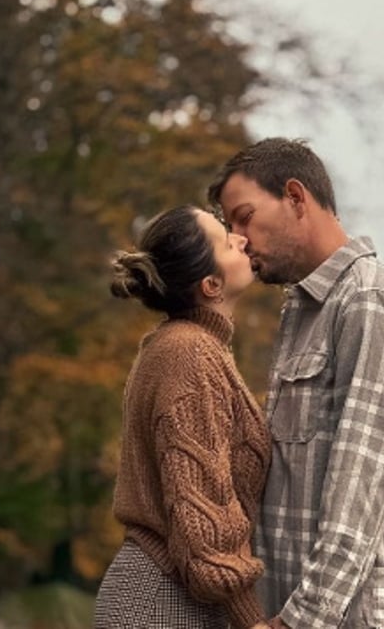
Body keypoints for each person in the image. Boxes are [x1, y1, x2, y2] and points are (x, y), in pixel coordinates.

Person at [208, 138, 384, 628]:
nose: (237, 239)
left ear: (296, 198)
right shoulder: (304, 314)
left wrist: (297, 622)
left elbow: (359, 496)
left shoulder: (368, 302)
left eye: (244, 217)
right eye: (228, 227)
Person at [94, 205, 272, 629]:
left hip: (168, 597)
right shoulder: (190, 353)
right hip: (160, 604)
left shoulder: (183, 346)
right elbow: (201, 513)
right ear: (211, 284)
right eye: (226, 240)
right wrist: (252, 621)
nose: (241, 238)